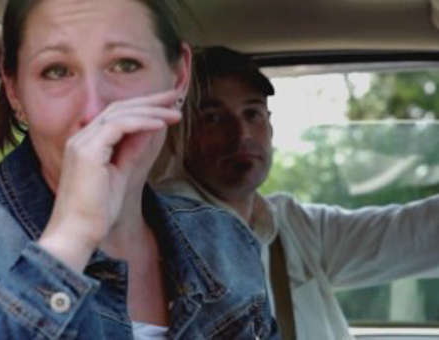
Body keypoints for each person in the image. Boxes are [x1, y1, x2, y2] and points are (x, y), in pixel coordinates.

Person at [0, 3, 280, 339]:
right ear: (16, 90)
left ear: (177, 77)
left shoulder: (226, 241)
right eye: (56, 71)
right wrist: (68, 244)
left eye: (126, 64)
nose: (94, 110)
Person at [153, 46, 439, 340]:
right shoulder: (161, 234)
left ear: (271, 125)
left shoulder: (293, 226)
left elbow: (418, 235)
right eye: (213, 118)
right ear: (179, 133)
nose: (242, 134)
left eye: (252, 113)